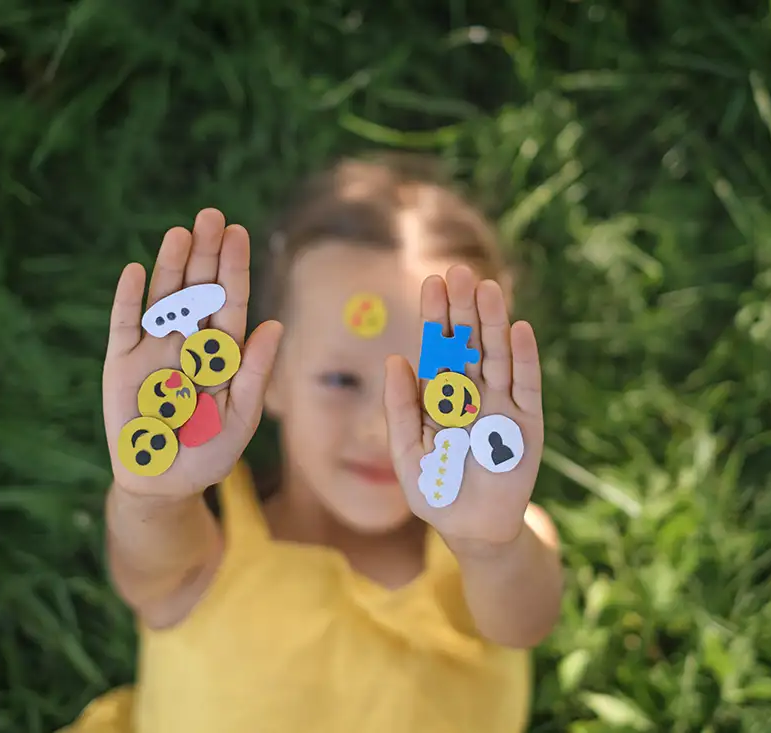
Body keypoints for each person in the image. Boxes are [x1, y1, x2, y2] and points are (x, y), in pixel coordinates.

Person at [61, 153, 564, 733]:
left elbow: (527, 619)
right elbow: (147, 568)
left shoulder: (492, 545)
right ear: (270, 374)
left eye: (434, 396)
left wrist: (492, 549)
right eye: (341, 381)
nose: (379, 430)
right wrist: (153, 494)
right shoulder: (209, 552)